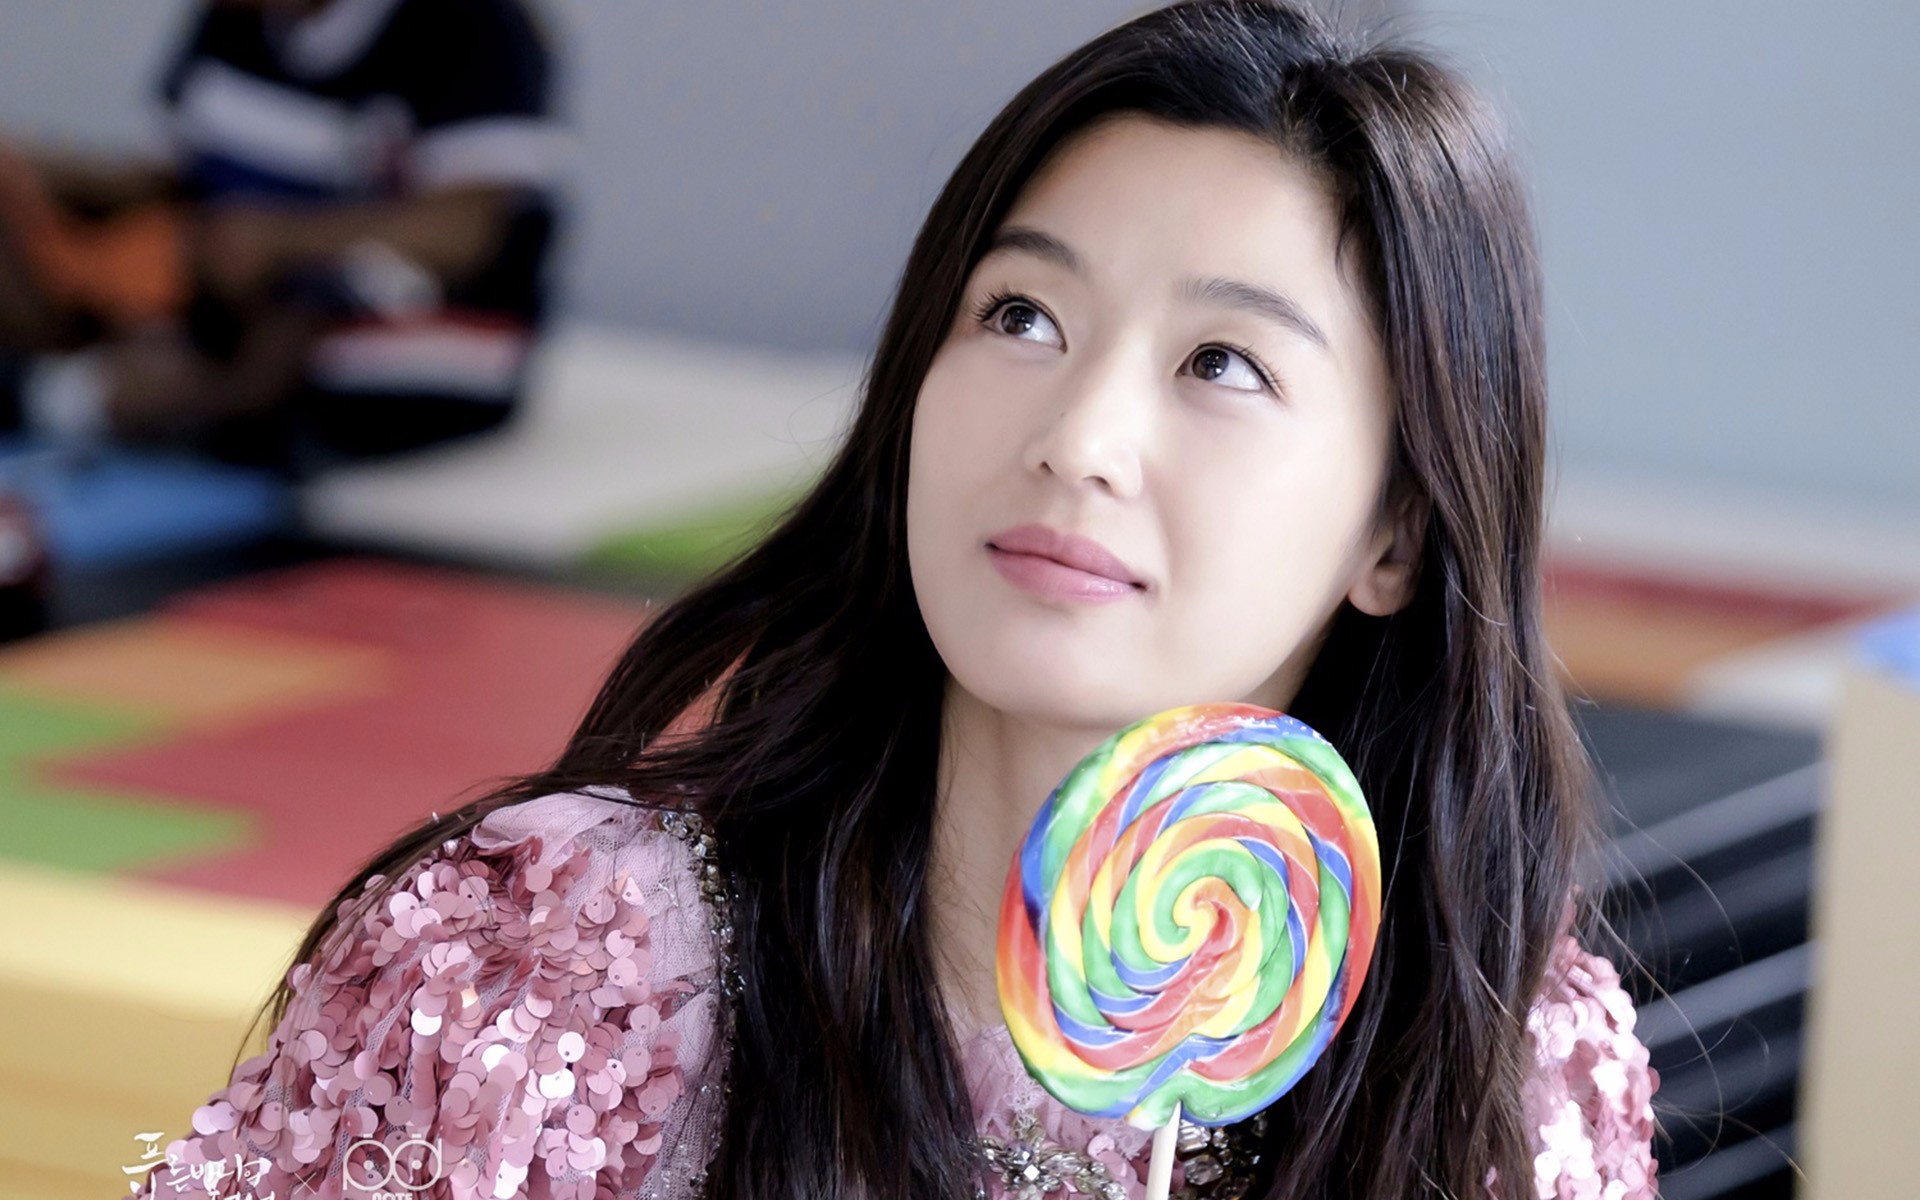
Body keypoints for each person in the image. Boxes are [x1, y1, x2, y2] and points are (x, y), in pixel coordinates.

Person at [132, 2, 1659, 1197]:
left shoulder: (1504, 1075)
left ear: (1395, 529)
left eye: (1222, 363)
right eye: (1023, 314)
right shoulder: (554, 977)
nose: (1078, 438)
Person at [0, 0, 562, 477]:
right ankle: (92, 391)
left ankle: (106, 399)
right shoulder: (230, 20)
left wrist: (278, 238)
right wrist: (41, 169)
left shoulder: (474, 25)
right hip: (225, 305)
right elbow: (174, 180)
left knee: (300, 319)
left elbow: (464, 233)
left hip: (408, 327)